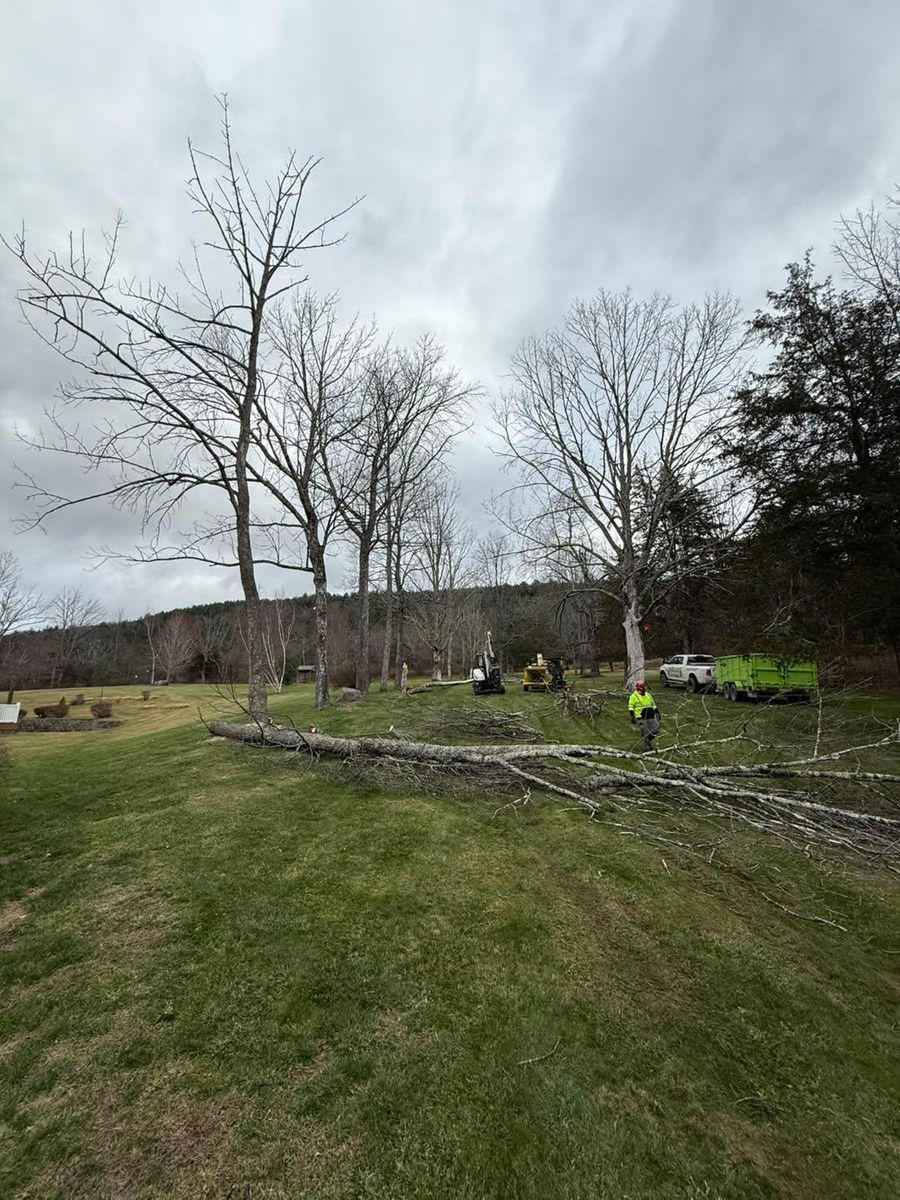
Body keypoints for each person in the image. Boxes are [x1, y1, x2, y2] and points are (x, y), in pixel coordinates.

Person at [628, 680, 660, 752]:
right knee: (645, 732)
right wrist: (632, 716)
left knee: (656, 729)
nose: (645, 689)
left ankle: (648, 741)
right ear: (639, 688)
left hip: (651, 715)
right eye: (644, 687)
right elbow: (630, 707)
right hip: (641, 717)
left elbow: (653, 704)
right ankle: (647, 748)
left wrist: (657, 711)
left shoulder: (648, 695)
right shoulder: (633, 696)